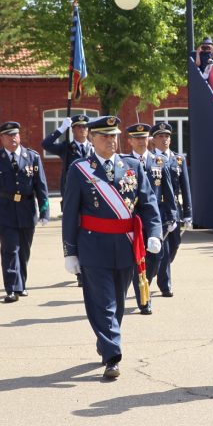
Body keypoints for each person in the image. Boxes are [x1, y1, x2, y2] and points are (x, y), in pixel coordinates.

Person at [62, 116, 162, 379]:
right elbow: (70, 212)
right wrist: (69, 251)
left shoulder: (131, 166)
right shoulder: (80, 169)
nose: (111, 140)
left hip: (126, 247)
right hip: (93, 246)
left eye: (114, 135)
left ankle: (106, 341)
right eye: (105, 136)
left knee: (117, 303)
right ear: (92, 139)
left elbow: (148, 203)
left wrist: (154, 232)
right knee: (102, 302)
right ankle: (113, 356)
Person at [0, 121, 50, 303]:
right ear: (2, 138)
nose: (13, 138)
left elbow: (41, 186)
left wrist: (44, 211)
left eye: (15, 134)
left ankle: (22, 284)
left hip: (27, 209)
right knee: (10, 249)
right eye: (9, 135)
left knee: (24, 251)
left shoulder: (32, 157)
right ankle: (12, 288)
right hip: (4, 209)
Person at [124, 123, 176, 315]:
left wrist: (172, 215)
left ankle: (145, 282)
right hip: (132, 220)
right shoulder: (124, 162)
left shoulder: (159, 161)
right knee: (136, 258)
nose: (141, 141)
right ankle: (144, 298)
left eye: (144, 137)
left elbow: (168, 190)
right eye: (137, 138)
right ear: (130, 141)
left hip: (156, 219)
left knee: (156, 258)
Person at [41, 114, 91, 286]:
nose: (82, 130)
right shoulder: (66, 148)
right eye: (78, 127)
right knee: (75, 234)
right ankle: (80, 272)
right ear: (73, 130)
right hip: (72, 198)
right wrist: (60, 129)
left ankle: (89, 268)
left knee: (89, 235)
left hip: (92, 199)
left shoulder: (94, 148)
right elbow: (46, 144)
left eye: (85, 127)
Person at [151, 122, 192, 297]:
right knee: (164, 248)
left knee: (175, 244)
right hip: (158, 209)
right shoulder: (149, 159)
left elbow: (186, 186)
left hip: (175, 208)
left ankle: (156, 268)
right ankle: (165, 284)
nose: (165, 139)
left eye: (167, 136)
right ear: (153, 140)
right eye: (160, 136)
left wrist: (188, 212)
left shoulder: (178, 158)